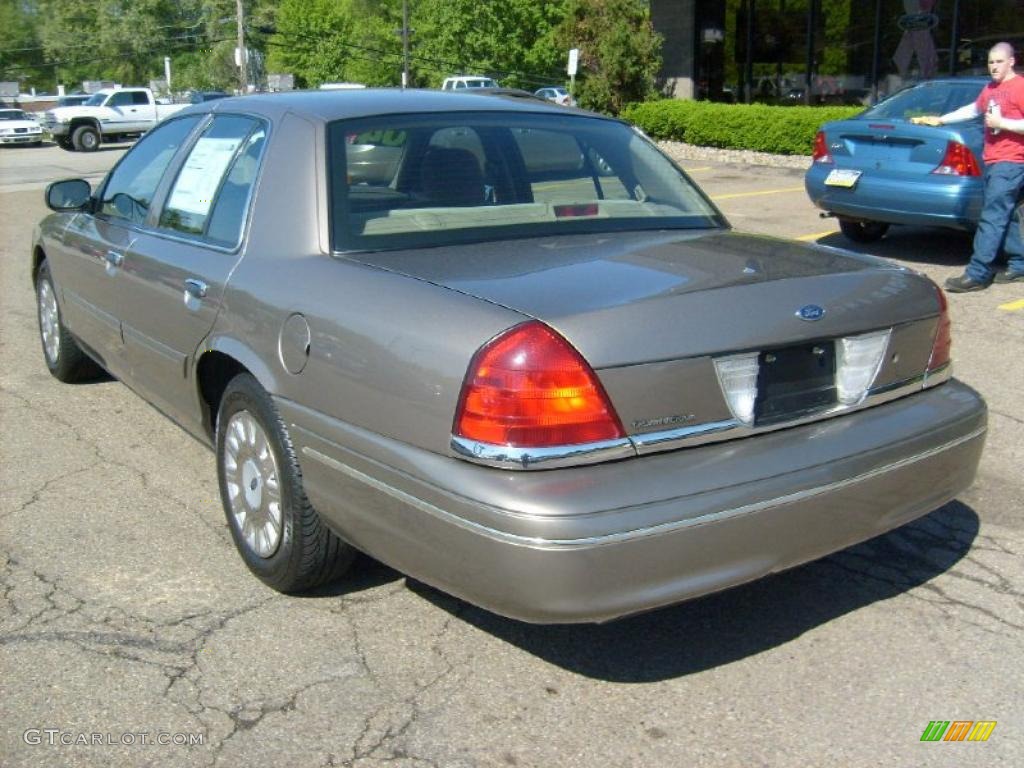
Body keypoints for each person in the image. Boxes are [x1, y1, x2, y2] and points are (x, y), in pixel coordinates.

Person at [912, 42, 1024, 291]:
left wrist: (1002, 123)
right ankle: (1019, 265)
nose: (994, 67)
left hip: (1012, 162)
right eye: (991, 62)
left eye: (999, 62)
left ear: (1011, 61)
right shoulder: (991, 88)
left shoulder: (1020, 87)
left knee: (992, 217)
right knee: (1010, 213)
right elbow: (973, 109)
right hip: (994, 160)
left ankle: (978, 273)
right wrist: (939, 119)